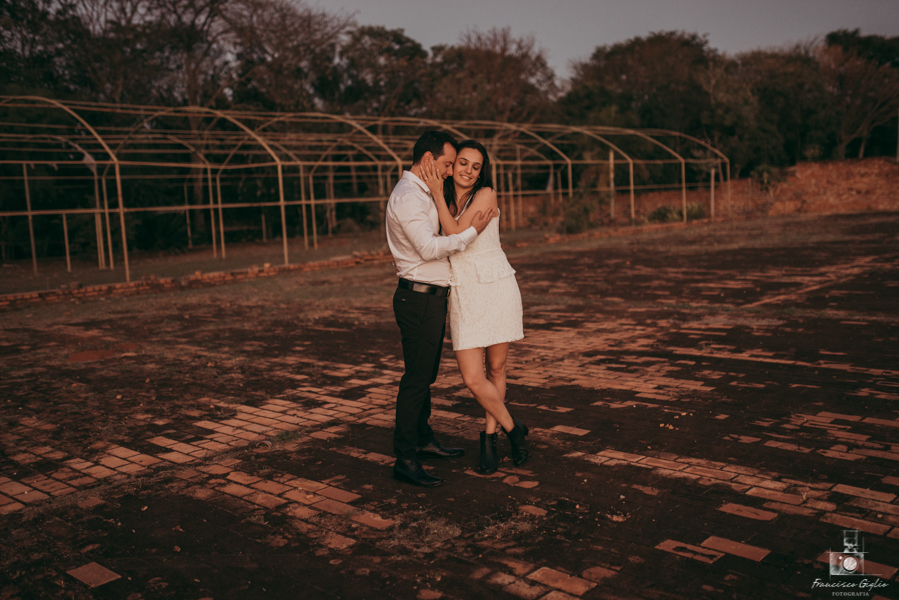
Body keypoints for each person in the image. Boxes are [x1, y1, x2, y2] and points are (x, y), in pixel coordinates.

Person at [385, 130, 497, 487]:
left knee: (424, 377)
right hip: (419, 299)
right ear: (428, 160)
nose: (450, 172)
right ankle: (405, 458)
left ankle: (422, 439)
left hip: (428, 298)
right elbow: (429, 248)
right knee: (416, 380)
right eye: (448, 164)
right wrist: (471, 233)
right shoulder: (408, 197)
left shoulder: (421, 193)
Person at [419, 139, 529, 475]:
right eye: (462, 163)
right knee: (472, 378)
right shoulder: (439, 197)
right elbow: (438, 238)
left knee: (496, 369)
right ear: (452, 166)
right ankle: (514, 429)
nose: (468, 170)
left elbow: (453, 231)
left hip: (495, 285)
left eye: (475, 166)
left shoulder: (486, 194)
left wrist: (437, 194)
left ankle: (490, 439)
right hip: (464, 291)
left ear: (482, 172)